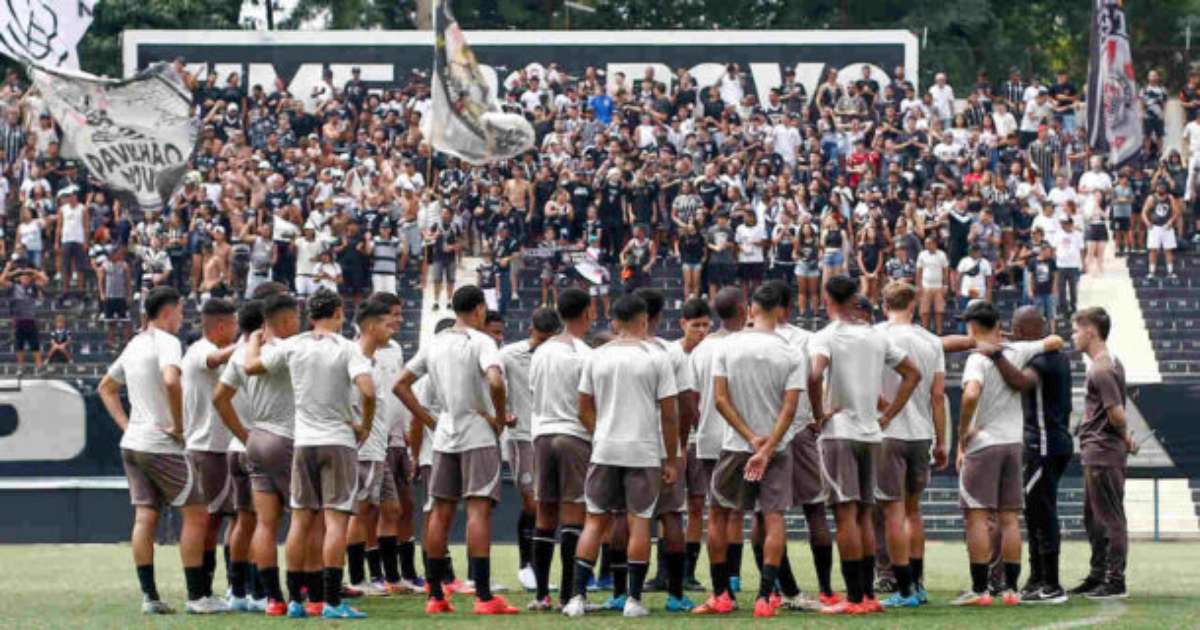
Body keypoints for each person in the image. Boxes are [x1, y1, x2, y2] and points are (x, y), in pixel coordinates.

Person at [245, 288, 376, 620]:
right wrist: (364, 425)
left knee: (300, 520)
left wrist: (254, 340)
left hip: (303, 442)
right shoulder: (347, 348)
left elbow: (251, 367)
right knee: (335, 521)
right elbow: (368, 389)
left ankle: (294, 601)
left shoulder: (293, 345)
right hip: (338, 441)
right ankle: (331, 601)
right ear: (338, 313)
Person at [393, 285, 518, 615]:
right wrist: (499, 418)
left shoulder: (435, 343)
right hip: (476, 433)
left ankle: (435, 595)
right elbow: (495, 381)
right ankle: (484, 597)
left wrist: (430, 421)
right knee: (478, 511)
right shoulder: (481, 341)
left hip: (445, 434)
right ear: (478, 310)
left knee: (439, 511)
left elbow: (399, 384)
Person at [96, 286, 216, 614]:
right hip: (161, 445)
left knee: (145, 516)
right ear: (167, 311)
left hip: (133, 444)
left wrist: (127, 426)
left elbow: (106, 388)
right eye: (180, 311)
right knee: (197, 513)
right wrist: (179, 426)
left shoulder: (134, 343)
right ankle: (198, 597)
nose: (182, 318)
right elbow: (172, 381)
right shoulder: (167, 342)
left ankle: (149, 597)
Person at [563, 293, 680, 619]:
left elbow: (583, 408)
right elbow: (669, 414)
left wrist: (600, 432)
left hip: (605, 449)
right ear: (644, 320)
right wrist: (671, 459)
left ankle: (577, 597)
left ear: (614, 322)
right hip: (643, 450)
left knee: (595, 521)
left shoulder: (596, 356)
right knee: (639, 521)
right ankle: (632, 600)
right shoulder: (657, 357)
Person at [808, 275, 920, 615]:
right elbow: (912, 374)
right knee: (865, 515)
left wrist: (819, 414)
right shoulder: (875, 336)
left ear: (827, 298)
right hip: (871, 434)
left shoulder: (825, 336)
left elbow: (814, 375)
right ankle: (868, 596)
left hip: (839, 433)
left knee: (846, 514)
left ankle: (855, 598)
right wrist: (888, 415)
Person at [953, 300, 1062, 607]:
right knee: (1010, 518)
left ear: (972, 327)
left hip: (984, 443)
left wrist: (963, 432)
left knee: (976, 516)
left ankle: (981, 590)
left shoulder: (977, 359)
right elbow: (1055, 340)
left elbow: (971, 395)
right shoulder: (1019, 351)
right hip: (1014, 444)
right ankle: (1011, 590)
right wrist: (1009, 343)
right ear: (998, 325)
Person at [707, 282, 805, 618]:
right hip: (776, 448)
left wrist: (751, 439)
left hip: (736, 445)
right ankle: (765, 597)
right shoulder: (792, 352)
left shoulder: (727, 346)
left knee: (719, 514)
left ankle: (721, 594)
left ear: (751, 309)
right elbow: (790, 408)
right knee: (774, 517)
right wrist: (768, 447)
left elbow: (720, 400)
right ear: (783, 311)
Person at [874, 282, 948, 608]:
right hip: (920, 434)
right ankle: (918, 584)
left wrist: (885, 411)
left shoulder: (876, 336)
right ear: (914, 305)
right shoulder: (931, 341)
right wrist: (942, 441)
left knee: (892, 511)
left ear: (883, 305)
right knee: (913, 512)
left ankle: (902, 587)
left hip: (886, 432)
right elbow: (937, 396)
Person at [528, 288, 596, 610]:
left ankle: (541, 594)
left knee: (544, 514)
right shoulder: (586, 354)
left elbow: (533, 391)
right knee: (573, 515)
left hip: (542, 434)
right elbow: (589, 402)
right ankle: (568, 595)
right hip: (574, 436)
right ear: (587, 313)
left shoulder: (540, 352)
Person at [688, 288, 748, 616]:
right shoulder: (747, 344)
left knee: (717, 513)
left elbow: (692, 397)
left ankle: (722, 588)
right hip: (744, 438)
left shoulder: (701, 349)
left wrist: (702, 424)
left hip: (711, 438)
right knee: (743, 512)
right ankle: (739, 581)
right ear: (742, 309)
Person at [636, 287, 695, 612]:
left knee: (627, 516)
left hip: (627, 445)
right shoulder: (671, 353)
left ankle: (625, 592)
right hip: (662, 445)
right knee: (670, 515)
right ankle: (675, 594)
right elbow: (686, 404)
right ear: (660, 315)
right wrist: (680, 446)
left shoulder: (612, 351)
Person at [181, 298, 240, 613]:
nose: (237, 330)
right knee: (206, 522)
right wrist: (248, 344)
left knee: (218, 521)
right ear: (220, 325)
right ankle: (199, 593)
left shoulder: (210, 351)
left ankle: (213, 590)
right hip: (205, 449)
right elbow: (215, 359)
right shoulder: (199, 351)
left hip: (217, 448)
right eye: (234, 324)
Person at [1070, 307, 1133, 600]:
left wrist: (1126, 436)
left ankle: (1115, 580)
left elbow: (1116, 413)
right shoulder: (1108, 363)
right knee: (1094, 518)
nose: (1073, 336)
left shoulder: (1102, 368)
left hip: (1104, 452)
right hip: (1098, 450)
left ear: (1090, 332)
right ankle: (1098, 575)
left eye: (1076, 331)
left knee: (1110, 518)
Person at [344, 298, 406, 596]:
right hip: (365, 448)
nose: (393, 325)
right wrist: (361, 429)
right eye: (387, 320)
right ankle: (358, 579)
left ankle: (391, 577)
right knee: (360, 512)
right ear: (371, 326)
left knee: (391, 509)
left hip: (380, 445)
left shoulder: (380, 357)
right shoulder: (354, 357)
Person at [500, 308, 562, 594]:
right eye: (540, 339)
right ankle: (527, 566)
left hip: (552, 434)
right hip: (522, 435)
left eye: (549, 339)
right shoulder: (509, 355)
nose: (544, 345)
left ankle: (538, 569)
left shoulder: (562, 356)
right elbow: (492, 385)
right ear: (530, 330)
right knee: (532, 503)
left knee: (548, 503)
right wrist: (503, 412)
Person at [674, 298, 712, 592]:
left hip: (701, 439)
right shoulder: (670, 354)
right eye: (695, 325)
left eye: (705, 325)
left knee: (697, 504)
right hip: (674, 439)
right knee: (670, 506)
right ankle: (666, 569)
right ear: (682, 324)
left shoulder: (711, 354)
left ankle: (688, 570)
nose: (701, 330)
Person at [1, 263, 48, 371]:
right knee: (19, 346)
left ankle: (39, 366)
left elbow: (45, 280)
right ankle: (20, 367)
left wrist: (33, 271)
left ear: (30, 279)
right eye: (23, 277)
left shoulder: (34, 287)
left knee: (35, 345)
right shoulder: (14, 287)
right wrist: (10, 270)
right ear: (19, 279)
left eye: (27, 277)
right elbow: (1, 280)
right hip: (19, 320)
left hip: (31, 320)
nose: (25, 279)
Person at [1142, 179, 1180, 277]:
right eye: (1159, 186)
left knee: (1168, 250)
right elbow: (1144, 212)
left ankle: (1170, 272)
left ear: (1165, 187)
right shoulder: (1151, 198)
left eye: (1163, 187)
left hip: (1167, 227)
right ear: (1156, 187)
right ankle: (1151, 272)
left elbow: (1176, 212)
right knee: (1153, 250)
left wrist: (1170, 222)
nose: (1161, 188)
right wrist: (1147, 222)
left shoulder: (1170, 198)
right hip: (1154, 227)